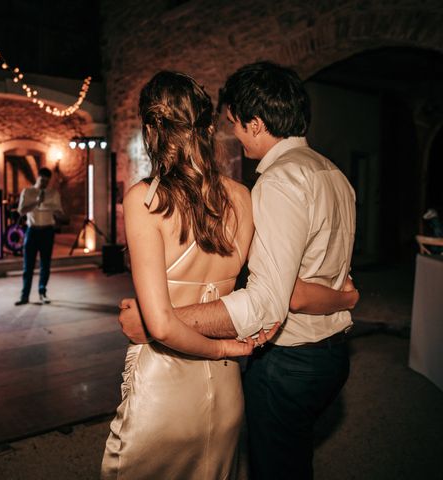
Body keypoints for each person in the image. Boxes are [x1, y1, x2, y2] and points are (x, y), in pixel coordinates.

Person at [104, 70, 358, 479]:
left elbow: (266, 296)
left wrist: (171, 327)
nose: (237, 133)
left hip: (169, 375)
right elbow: (288, 283)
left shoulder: (145, 199)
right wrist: (346, 299)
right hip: (226, 385)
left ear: (151, 129)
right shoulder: (246, 196)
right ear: (207, 127)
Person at [15, 167, 63, 305]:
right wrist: (37, 201)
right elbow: (21, 211)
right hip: (32, 231)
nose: (44, 184)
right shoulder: (28, 192)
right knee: (28, 265)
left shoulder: (53, 193)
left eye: (47, 182)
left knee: (45, 264)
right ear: (38, 177)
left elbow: (60, 212)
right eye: (42, 180)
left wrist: (54, 209)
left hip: (47, 231)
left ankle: (43, 292)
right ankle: (24, 296)